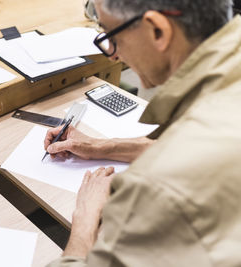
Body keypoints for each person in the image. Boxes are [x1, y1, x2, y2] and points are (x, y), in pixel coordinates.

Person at [45, 0, 241, 266]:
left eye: (111, 35)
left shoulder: (159, 185)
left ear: (157, 31)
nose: (112, 55)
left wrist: (85, 219)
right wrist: (102, 147)